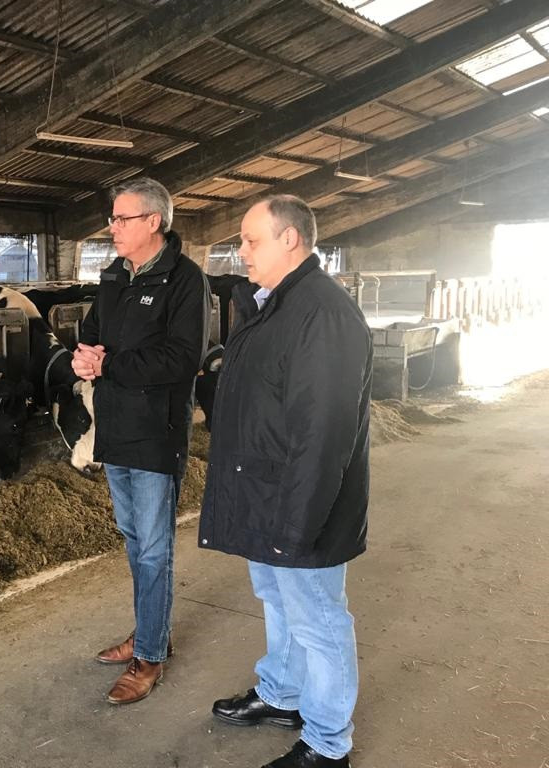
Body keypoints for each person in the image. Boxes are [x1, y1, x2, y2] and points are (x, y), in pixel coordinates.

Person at [198, 194, 372, 767]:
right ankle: (283, 694)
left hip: (300, 505)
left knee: (319, 621)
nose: (242, 252)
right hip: (266, 495)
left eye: (251, 240)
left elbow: (323, 434)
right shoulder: (272, 306)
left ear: (290, 239)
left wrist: (298, 527)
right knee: (277, 601)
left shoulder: (322, 314)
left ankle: (327, 742)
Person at [73, 176, 209, 705]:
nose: (112, 227)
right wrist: (84, 357)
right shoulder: (114, 275)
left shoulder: (185, 280)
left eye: (121, 218)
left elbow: (183, 358)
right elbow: (91, 331)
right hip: (115, 427)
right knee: (134, 539)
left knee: (153, 549)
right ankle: (150, 631)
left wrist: (109, 365)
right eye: (112, 218)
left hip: (156, 431)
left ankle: (149, 656)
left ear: (153, 221)